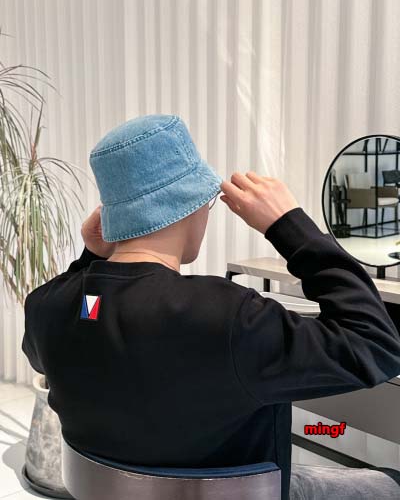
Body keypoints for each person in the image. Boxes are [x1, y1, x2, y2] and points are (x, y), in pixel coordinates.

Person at [22, 114, 400, 500]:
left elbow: (58, 336)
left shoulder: (46, 308)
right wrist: (289, 226)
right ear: (190, 206)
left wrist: (91, 257)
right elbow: (378, 345)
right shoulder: (228, 317)